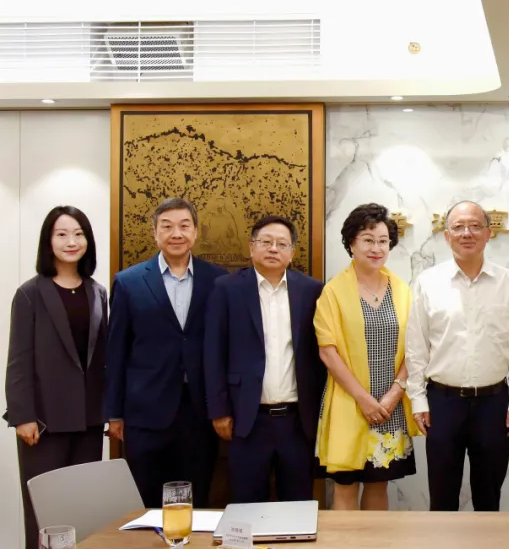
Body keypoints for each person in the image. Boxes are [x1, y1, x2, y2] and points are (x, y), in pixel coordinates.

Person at [406, 200, 509, 511]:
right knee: (442, 498)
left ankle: (487, 545)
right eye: (458, 227)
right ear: (447, 236)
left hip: (494, 403)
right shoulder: (428, 282)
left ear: (489, 233)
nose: (467, 233)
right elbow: (417, 346)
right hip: (442, 403)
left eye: (475, 226)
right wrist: (418, 399)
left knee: (489, 499)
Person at [105, 197, 228, 508]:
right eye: (167, 226)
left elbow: (225, 346)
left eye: (184, 226)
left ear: (195, 232)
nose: (176, 233)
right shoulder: (129, 282)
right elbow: (116, 352)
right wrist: (114, 413)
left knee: (196, 498)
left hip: (199, 411)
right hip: (145, 411)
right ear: (155, 232)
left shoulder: (218, 280)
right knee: (146, 501)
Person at [5, 206, 108, 549]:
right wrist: (22, 416)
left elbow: (101, 359)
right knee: (44, 515)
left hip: (89, 421)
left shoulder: (98, 292)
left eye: (78, 234)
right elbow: (18, 360)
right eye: (61, 234)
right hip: (43, 424)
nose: (71, 241)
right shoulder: (30, 293)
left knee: (83, 511)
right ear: (48, 241)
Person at [203, 215, 325, 503]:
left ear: (292, 252)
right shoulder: (227, 288)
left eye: (282, 244)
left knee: (297, 503)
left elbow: (319, 354)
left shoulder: (311, 290)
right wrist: (219, 410)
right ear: (251, 247)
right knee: (247, 504)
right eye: (266, 242)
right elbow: (213, 352)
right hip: (246, 419)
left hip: (297, 421)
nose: (273, 249)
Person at [315, 204, 418, 510]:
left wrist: (394, 395)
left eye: (383, 241)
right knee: (345, 485)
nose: (377, 248)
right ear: (352, 244)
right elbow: (328, 352)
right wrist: (364, 399)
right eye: (368, 240)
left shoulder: (402, 290)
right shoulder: (333, 291)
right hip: (350, 402)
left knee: (378, 483)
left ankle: (375, 545)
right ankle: (345, 545)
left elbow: (416, 348)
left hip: (389, 406)